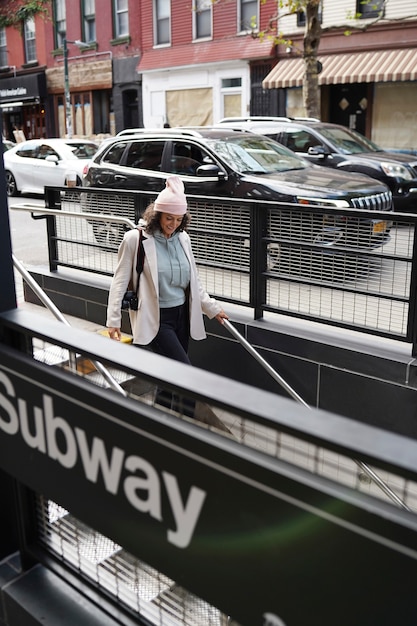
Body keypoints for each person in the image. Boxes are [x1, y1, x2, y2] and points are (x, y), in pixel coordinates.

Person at [106, 175, 228, 370]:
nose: (173, 224)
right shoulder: (134, 239)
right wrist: (113, 320)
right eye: (169, 218)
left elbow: (193, 280)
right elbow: (119, 282)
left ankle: (162, 403)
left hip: (182, 316)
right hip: (157, 318)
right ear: (157, 215)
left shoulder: (183, 239)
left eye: (179, 219)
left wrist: (212, 308)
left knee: (169, 377)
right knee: (185, 375)